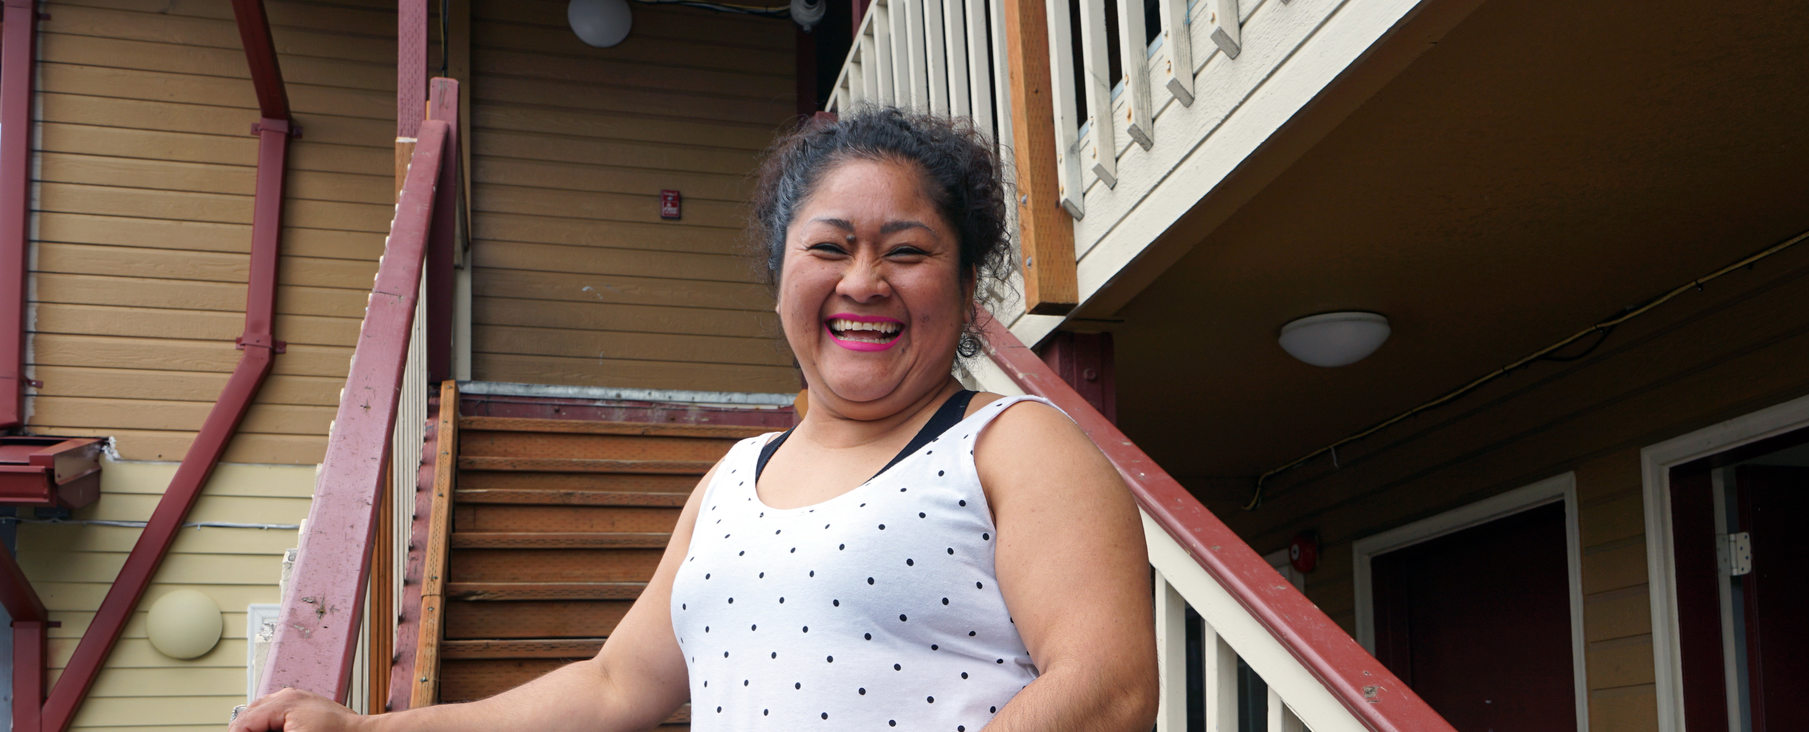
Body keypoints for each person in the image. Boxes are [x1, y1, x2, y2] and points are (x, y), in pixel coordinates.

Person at [230, 108, 1158, 731]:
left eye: (907, 252)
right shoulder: (732, 479)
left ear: (963, 288)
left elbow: (1110, 689)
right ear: (782, 277)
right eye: (830, 247)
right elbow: (612, 686)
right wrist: (364, 727)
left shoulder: (1009, 442)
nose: (864, 280)